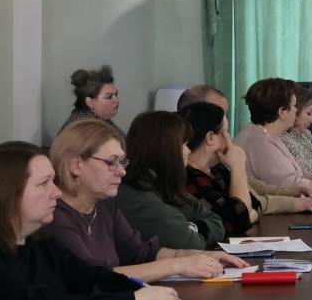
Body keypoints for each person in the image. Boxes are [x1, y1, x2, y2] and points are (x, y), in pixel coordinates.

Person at [0, 142, 179, 300]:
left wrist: (141, 290)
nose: (57, 192)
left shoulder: (40, 242)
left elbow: (89, 277)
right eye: (44, 183)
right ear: (7, 194)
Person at [48, 119, 246, 281]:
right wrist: (177, 265)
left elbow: (140, 252)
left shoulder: (104, 205)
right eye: (112, 162)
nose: (122, 171)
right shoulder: (54, 213)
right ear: (76, 165)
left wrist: (197, 256)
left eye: (122, 162)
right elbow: (93, 277)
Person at [181, 101, 312, 237]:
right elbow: (239, 219)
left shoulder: (216, 168)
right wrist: (238, 166)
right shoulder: (188, 179)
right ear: (211, 138)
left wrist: (251, 212)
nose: (230, 138)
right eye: (225, 132)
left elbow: (253, 202)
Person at [115, 112, 226, 250]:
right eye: (185, 144)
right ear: (169, 150)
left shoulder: (161, 184)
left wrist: (191, 227)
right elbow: (190, 243)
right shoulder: (137, 196)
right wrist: (190, 230)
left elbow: (216, 223)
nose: (188, 151)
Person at [234, 78, 312, 197]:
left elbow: (300, 170)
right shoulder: (261, 142)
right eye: (294, 106)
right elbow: (293, 186)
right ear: (282, 112)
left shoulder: (268, 134)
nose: (296, 110)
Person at [58, 65, 124, 136]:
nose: (117, 100)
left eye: (116, 94)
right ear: (90, 102)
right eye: (109, 97)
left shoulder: (94, 119)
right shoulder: (87, 130)